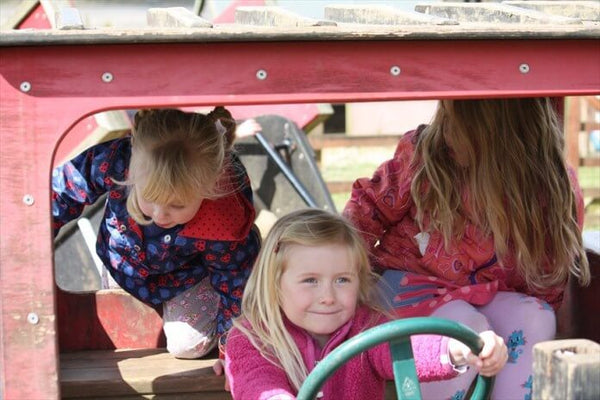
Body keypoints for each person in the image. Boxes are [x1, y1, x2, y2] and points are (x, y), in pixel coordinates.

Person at [343, 97, 591, 400]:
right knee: (464, 326)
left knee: (536, 317)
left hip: (482, 297)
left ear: (498, 130)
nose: (443, 129)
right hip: (405, 288)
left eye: (454, 122)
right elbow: (367, 210)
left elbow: (547, 274)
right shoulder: (425, 157)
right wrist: (343, 277)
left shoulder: (551, 187)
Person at [224, 209, 507, 400]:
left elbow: (407, 349)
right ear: (274, 283)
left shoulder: (366, 328)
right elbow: (257, 384)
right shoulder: (252, 338)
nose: (328, 296)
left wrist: (458, 349)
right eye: (310, 280)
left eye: (342, 280)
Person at [52, 107, 261, 361]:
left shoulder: (221, 218)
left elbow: (236, 283)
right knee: (120, 331)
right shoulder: (119, 160)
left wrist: (233, 352)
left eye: (178, 205)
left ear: (210, 186)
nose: (160, 215)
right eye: (149, 197)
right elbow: (62, 192)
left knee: (187, 347)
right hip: (123, 261)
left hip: (184, 277)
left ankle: (206, 298)